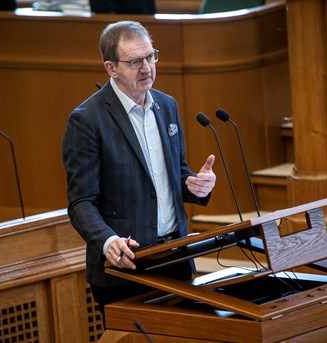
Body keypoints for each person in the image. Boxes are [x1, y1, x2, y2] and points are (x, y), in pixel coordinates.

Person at [62, 21, 216, 317]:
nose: (146, 68)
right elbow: (81, 202)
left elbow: (174, 172)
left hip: (176, 259)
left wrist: (195, 184)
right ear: (111, 68)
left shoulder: (166, 105)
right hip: (127, 266)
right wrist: (107, 241)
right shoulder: (87, 120)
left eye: (150, 57)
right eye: (134, 61)